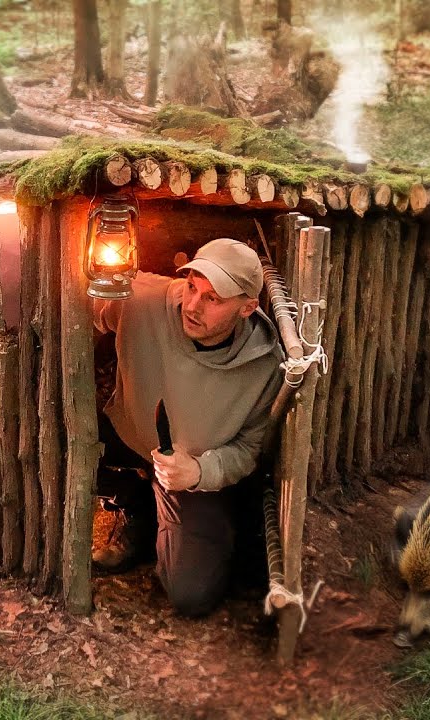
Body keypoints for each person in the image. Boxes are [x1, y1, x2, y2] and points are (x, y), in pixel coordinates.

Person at [91, 237, 284, 617]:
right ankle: (135, 500)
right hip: (128, 436)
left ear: (248, 308)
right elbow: (80, 300)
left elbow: (249, 449)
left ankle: (160, 518)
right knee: (54, 438)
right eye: (192, 286)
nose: (192, 306)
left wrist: (199, 472)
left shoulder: (264, 367)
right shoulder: (143, 300)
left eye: (213, 299)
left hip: (189, 475)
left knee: (191, 593)